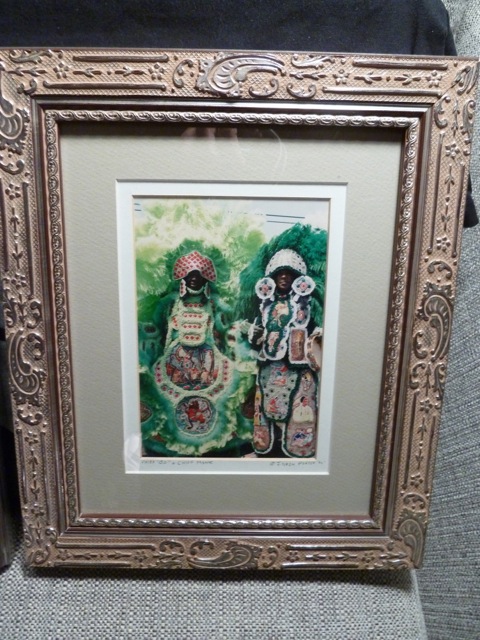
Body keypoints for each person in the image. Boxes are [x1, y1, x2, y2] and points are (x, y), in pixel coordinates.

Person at [139, 249, 251, 457]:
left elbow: (229, 324)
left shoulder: (214, 304)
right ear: (182, 277)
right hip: (174, 365)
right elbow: (158, 328)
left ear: (205, 278)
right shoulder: (169, 303)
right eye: (189, 275)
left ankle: (216, 446)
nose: (193, 279)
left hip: (209, 364)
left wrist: (241, 329)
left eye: (198, 275)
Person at [245, 248, 322, 458]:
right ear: (272, 277)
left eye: (289, 273)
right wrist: (255, 334)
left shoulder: (309, 304)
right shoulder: (265, 305)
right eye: (280, 273)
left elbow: (318, 333)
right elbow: (256, 337)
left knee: (300, 410)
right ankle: (267, 449)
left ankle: (297, 449)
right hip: (269, 369)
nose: (284, 277)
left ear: (298, 278)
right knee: (266, 410)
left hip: (299, 369)